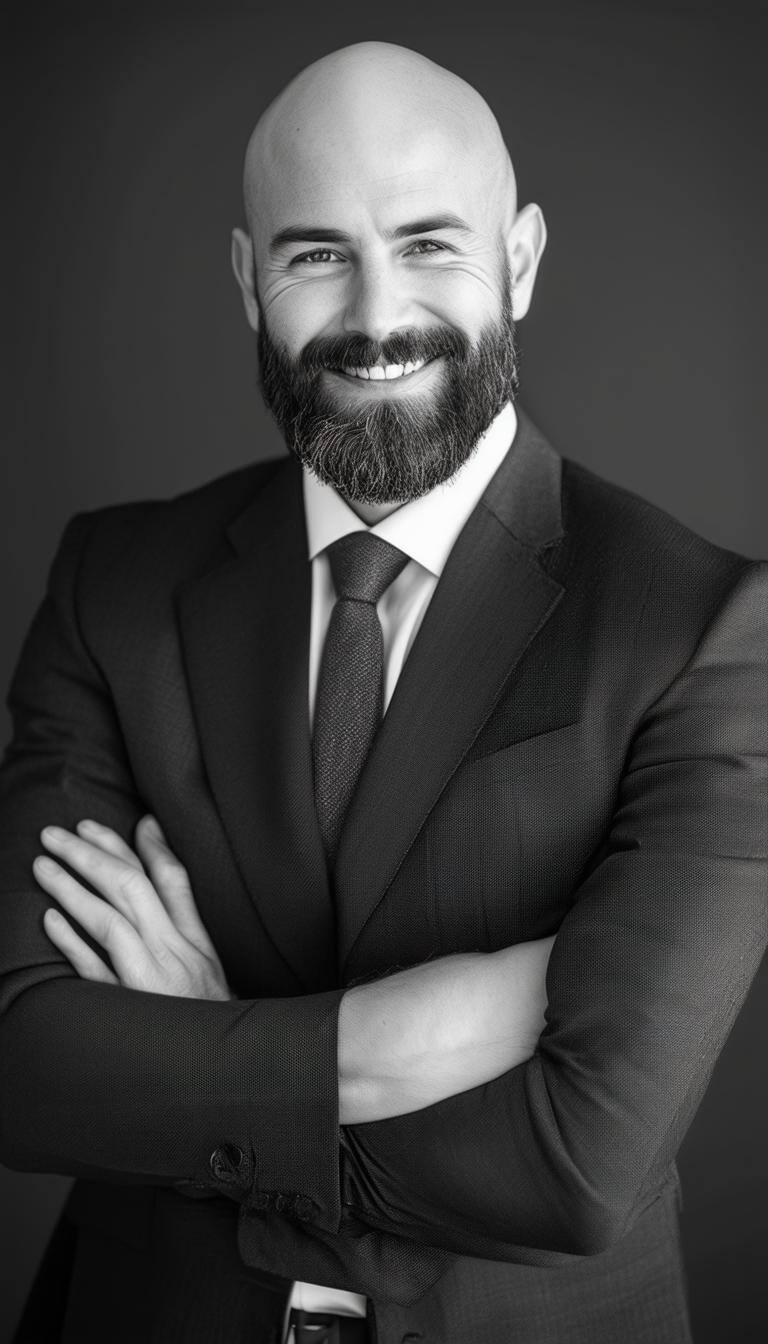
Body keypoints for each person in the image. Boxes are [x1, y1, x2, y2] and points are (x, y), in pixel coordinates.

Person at [0, 39, 765, 1344]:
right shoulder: (111, 581)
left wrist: (201, 1065)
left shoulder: (704, 625)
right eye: (315, 253)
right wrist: (376, 1049)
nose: (373, 313)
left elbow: (581, 1166)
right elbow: (24, 1063)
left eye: (428, 244)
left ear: (520, 258)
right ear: (250, 279)